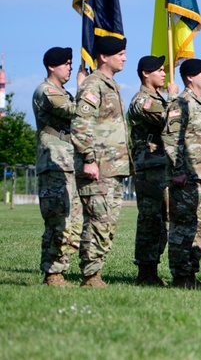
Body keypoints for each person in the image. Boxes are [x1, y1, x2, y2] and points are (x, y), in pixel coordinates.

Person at [70, 35, 130, 288]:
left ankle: (95, 273)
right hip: (99, 167)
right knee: (98, 222)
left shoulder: (110, 85)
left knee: (107, 224)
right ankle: (90, 276)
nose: (124, 58)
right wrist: (89, 159)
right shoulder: (93, 85)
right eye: (120, 54)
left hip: (113, 167)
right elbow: (81, 125)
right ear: (104, 57)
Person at [32, 46, 87, 286]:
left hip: (69, 161)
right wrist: (85, 88)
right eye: (65, 63)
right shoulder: (46, 91)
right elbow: (75, 112)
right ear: (51, 66)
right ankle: (52, 273)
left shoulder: (64, 92)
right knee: (57, 221)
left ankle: (60, 270)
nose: (70, 67)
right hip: (54, 163)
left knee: (74, 222)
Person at [162, 57, 201, 289]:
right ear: (190, 77)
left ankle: (190, 274)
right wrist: (177, 171)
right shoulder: (181, 103)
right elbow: (170, 138)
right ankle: (180, 276)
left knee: (200, 228)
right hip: (186, 177)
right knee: (183, 227)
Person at [128, 55, 178, 286]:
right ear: (145, 74)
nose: (163, 73)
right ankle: (145, 272)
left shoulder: (158, 98)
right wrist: (175, 97)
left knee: (163, 219)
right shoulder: (142, 101)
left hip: (161, 164)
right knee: (150, 219)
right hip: (149, 165)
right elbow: (170, 121)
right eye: (158, 70)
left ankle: (153, 269)